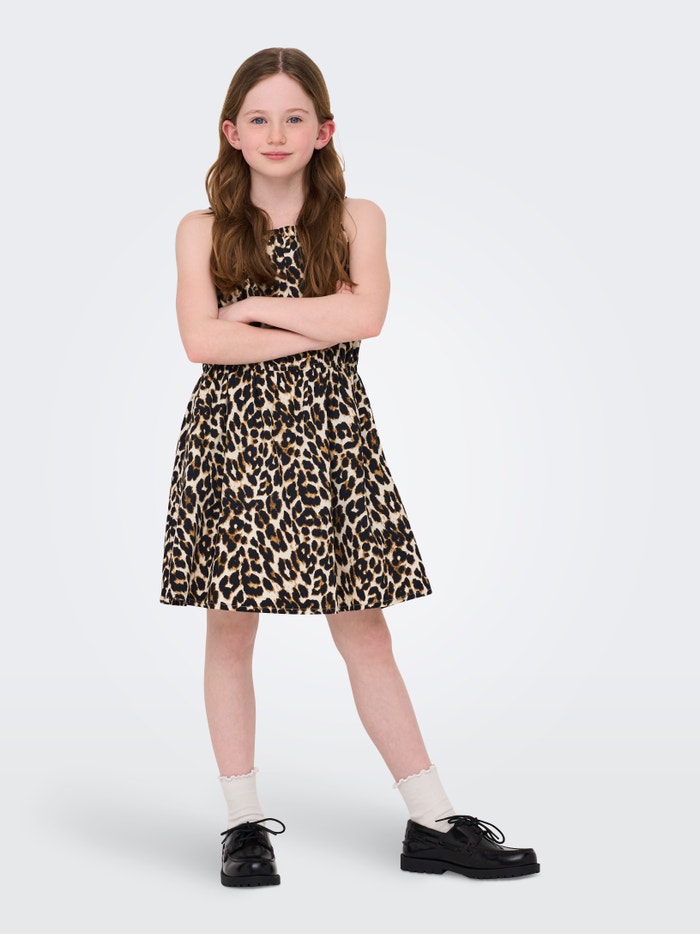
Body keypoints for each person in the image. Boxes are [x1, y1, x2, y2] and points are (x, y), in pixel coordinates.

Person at [160, 46, 539, 888]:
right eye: (259, 117)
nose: (277, 132)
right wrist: (314, 318)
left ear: (324, 131)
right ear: (231, 131)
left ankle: (432, 821)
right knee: (230, 628)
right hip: (232, 443)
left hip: (336, 445)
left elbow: (367, 319)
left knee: (366, 628)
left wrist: (255, 308)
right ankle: (243, 825)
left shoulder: (356, 219)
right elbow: (200, 341)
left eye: (295, 117)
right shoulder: (201, 229)